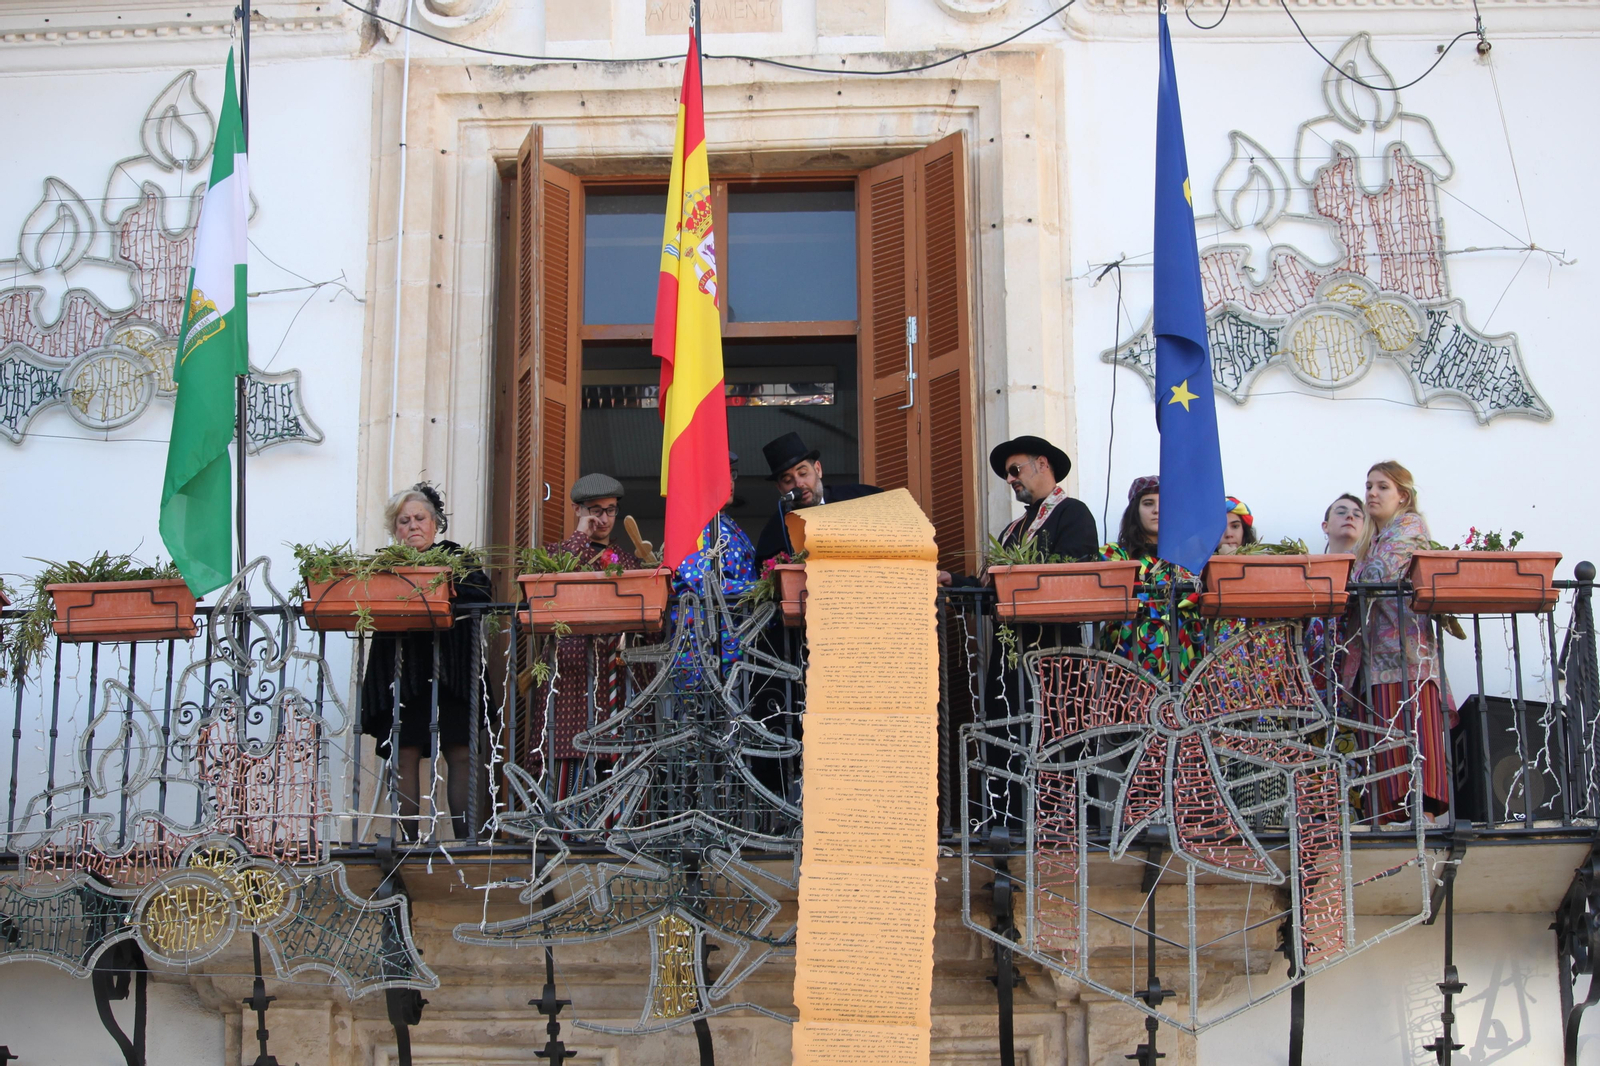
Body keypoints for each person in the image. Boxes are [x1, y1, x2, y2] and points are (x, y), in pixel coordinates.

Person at [359, 483, 492, 841]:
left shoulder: (457, 558)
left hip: (452, 673)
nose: (413, 526)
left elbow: (482, 592)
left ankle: (468, 842)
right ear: (395, 529)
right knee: (404, 755)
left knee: (461, 754)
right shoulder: (385, 567)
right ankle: (408, 845)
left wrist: (442, 586)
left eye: (420, 518)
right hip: (403, 674)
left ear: (436, 524)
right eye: (404, 521)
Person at [1344, 460, 1453, 826]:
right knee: (1382, 736)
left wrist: (1340, 583)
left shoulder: (1408, 526)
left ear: (1402, 495)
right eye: (1369, 486)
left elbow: (1380, 573)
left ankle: (1420, 813)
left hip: (1405, 656)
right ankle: (1388, 816)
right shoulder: (1372, 538)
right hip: (1374, 661)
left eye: (1382, 487)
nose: (1371, 493)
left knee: (1409, 731)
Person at [537, 473, 642, 800]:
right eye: (595, 510)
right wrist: (580, 535)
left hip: (613, 670)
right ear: (577, 510)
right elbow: (557, 579)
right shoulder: (556, 552)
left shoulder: (626, 560)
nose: (604, 519)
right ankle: (565, 834)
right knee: (569, 751)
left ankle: (610, 832)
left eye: (611, 510)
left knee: (613, 756)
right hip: (570, 671)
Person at [1100, 476, 1204, 680]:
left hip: (1186, 653)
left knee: (1184, 709)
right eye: (1148, 503)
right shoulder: (1116, 554)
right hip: (1131, 658)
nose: (1157, 510)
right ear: (1135, 511)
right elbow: (1116, 595)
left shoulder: (1191, 555)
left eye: (1164, 503)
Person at [672, 453, 758, 687]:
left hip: (733, 648)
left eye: (732, 474)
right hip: (704, 653)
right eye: (721, 474)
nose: (729, 481)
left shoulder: (725, 521)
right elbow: (708, 584)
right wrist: (765, 589)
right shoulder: (693, 524)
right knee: (700, 722)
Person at [753, 432, 881, 564]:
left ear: (818, 469)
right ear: (780, 488)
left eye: (803, 473)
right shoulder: (774, 531)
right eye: (787, 480)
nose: (799, 484)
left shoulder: (859, 497)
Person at [989, 436, 1099, 562]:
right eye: (1006, 474)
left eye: (1015, 470)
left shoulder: (1074, 513)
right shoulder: (1011, 531)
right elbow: (988, 581)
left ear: (1042, 464)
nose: (1009, 480)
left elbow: (1074, 573)